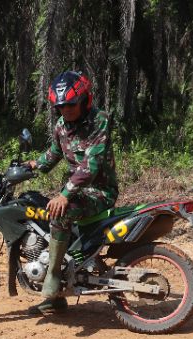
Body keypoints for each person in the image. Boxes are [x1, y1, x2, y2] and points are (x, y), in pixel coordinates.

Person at [24, 71, 119, 314]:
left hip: (98, 192)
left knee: (59, 213)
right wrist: (31, 166)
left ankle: (54, 277)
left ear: (84, 99)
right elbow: (53, 154)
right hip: (75, 192)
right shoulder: (61, 126)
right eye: (61, 106)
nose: (66, 110)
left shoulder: (100, 120)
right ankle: (55, 299)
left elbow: (92, 164)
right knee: (40, 218)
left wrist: (65, 194)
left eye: (70, 105)